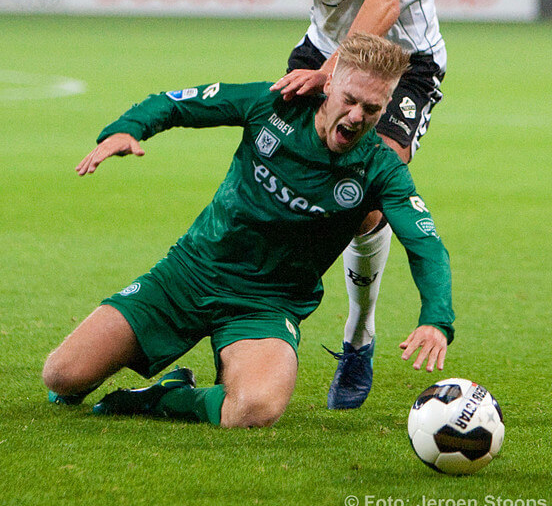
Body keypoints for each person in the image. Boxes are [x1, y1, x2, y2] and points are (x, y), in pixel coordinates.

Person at [111, 0, 447, 409]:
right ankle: (238, 318)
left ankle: (357, 336)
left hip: (400, 62)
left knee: (363, 198)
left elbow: (382, 1)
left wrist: (328, 77)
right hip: (324, 47)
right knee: (279, 176)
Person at [43, 34, 453, 428]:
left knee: (255, 408)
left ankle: (161, 397)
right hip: (189, 274)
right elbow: (177, 104)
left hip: (266, 304)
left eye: (373, 109)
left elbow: (425, 244)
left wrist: (435, 319)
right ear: (329, 84)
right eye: (350, 100)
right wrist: (129, 128)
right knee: (61, 376)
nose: (357, 116)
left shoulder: (382, 168)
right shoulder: (272, 105)